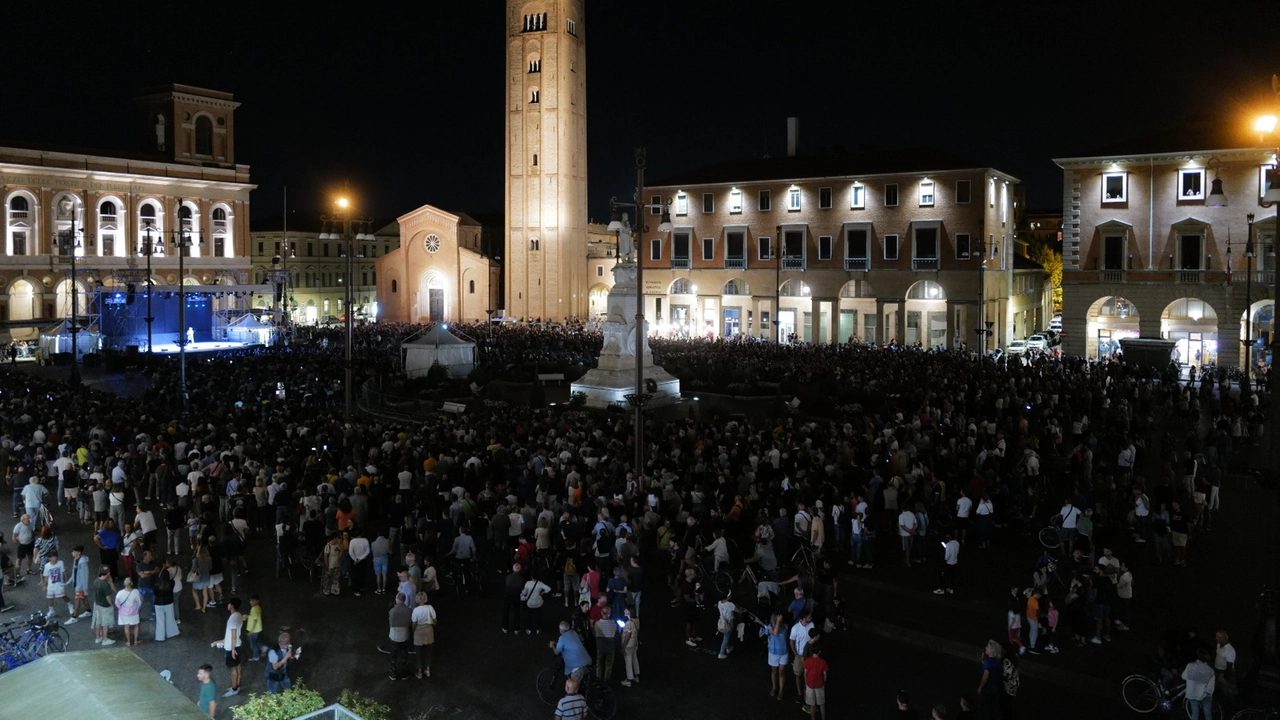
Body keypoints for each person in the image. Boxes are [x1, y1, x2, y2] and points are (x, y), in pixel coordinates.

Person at [211, 597, 244, 697]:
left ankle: (234, 689)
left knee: (233, 669)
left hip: (231, 647)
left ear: (232, 606)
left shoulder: (232, 619)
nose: (228, 605)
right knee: (238, 666)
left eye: (229, 604)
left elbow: (233, 635)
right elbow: (232, 635)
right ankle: (237, 685)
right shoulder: (239, 615)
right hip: (237, 644)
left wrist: (233, 649)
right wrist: (221, 641)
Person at [1183, 649, 1216, 720]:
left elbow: (1184, 676)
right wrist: (1209, 693)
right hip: (1206, 693)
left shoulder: (1190, 666)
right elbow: (1211, 684)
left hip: (1192, 693)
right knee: (1207, 713)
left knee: (1195, 712)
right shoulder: (1210, 670)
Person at [411, 591, 437, 679]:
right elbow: (435, 621)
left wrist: (413, 630)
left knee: (418, 652)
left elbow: (414, 623)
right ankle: (428, 670)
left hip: (419, 631)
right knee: (429, 651)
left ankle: (419, 671)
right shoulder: (430, 608)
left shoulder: (415, 610)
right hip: (429, 630)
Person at [388, 591, 413, 680]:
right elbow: (409, 623)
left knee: (393, 656)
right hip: (405, 635)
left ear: (398, 600)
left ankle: (393, 673)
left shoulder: (392, 611)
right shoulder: (409, 611)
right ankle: (404, 673)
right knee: (404, 654)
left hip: (394, 635)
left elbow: (391, 623)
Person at [790, 611, 815, 701]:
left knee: (807, 675)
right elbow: (792, 641)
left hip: (809, 655)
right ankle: (800, 693)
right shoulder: (795, 628)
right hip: (800, 655)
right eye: (809, 617)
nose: (811, 618)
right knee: (798, 674)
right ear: (804, 619)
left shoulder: (811, 624)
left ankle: (805, 693)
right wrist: (796, 654)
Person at [767, 611, 790, 699]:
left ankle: (781, 690)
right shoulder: (770, 627)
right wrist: (777, 622)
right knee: (774, 671)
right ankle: (774, 687)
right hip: (773, 652)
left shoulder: (785, 626)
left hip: (783, 652)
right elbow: (775, 633)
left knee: (781, 672)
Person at [977, 640, 1002, 718]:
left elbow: (985, 677)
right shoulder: (998, 661)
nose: (985, 648)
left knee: (984, 709)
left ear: (992, 650)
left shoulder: (988, 662)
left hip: (987, 690)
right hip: (996, 689)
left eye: (988, 647)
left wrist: (980, 687)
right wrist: (982, 660)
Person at [114, 576, 142, 647]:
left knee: (126, 626)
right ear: (131, 583)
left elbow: (117, 602)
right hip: (134, 612)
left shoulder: (120, 593)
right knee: (136, 625)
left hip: (124, 612)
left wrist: (120, 608)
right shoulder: (136, 592)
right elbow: (139, 602)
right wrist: (137, 608)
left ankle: (128, 642)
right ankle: (136, 641)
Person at [92, 565, 116, 645]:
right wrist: (112, 604)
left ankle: (98, 637)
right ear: (108, 573)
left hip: (98, 604)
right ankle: (105, 639)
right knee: (106, 623)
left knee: (98, 622)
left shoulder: (96, 581)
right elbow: (108, 597)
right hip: (105, 606)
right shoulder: (104, 584)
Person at [593, 605, 618, 681]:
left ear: (601, 613)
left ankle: (598, 678)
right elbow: (614, 632)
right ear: (609, 614)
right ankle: (606, 679)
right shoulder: (613, 623)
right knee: (609, 664)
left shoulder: (597, 624)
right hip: (610, 644)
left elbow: (596, 634)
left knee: (599, 662)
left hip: (601, 644)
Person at [803, 645, 829, 720]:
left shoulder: (807, 660)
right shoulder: (823, 662)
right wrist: (823, 682)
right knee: (822, 704)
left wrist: (806, 682)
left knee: (812, 704)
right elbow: (825, 675)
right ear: (819, 651)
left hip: (810, 684)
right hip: (819, 685)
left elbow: (805, 673)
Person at [154, 567, 179, 641]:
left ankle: (160, 637)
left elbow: (155, 593)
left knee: (160, 621)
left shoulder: (156, 585)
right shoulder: (172, 583)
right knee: (170, 618)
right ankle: (172, 632)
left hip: (158, 604)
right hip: (169, 603)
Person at [41, 549, 67, 621]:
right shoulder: (47, 566)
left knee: (63, 596)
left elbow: (64, 572)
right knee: (50, 598)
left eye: (55, 557)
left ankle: (70, 605)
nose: (54, 559)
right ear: (49, 558)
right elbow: (46, 576)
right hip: (51, 585)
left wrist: (66, 581)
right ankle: (51, 611)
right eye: (52, 557)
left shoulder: (60, 563)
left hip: (59, 584)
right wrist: (44, 585)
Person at [716, 592, 742, 659]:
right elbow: (739, 611)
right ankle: (721, 653)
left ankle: (728, 647)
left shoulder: (719, 603)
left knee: (726, 635)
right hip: (729, 621)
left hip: (722, 621)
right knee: (726, 637)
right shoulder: (730, 604)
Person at [620, 604, 640, 687]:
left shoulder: (628, 623)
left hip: (628, 644)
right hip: (635, 642)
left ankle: (629, 679)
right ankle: (636, 675)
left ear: (629, 612)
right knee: (634, 657)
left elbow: (627, 635)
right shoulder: (637, 619)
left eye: (626, 610)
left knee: (628, 660)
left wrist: (623, 646)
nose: (624, 611)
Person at [1215, 630, 1237, 705]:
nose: (1217, 639)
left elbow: (1229, 667)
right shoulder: (1219, 644)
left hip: (1224, 672)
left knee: (1227, 690)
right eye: (1217, 637)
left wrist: (1225, 677)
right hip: (1218, 670)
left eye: (1219, 637)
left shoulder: (1229, 650)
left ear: (1226, 638)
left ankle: (1232, 705)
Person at [502, 562, 524, 634]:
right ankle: (516, 629)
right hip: (516, 596)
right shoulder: (521, 579)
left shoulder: (508, 577)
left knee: (506, 611)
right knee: (516, 612)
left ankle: (505, 627)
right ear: (520, 570)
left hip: (508, 595)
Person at [1001, 642, 1021, 719]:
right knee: (1008, 705)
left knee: (1005, 706)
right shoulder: (1014, 657)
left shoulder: (1006, 661)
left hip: (1007, 688)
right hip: (1013, 686)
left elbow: (1005, 676)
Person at [246, 595, 264, 660]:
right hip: (257, 629)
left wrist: (251, 631)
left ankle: (256, 656)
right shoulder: (257, 607)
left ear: (257, 601)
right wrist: (247, 616)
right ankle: (263, 647)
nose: (251, 602)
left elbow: (255, 620)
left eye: (253, 601)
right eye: (250, 600)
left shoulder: (254, 609)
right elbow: (253, 617)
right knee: (253, 641)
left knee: (253, 644)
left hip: (254, 630)